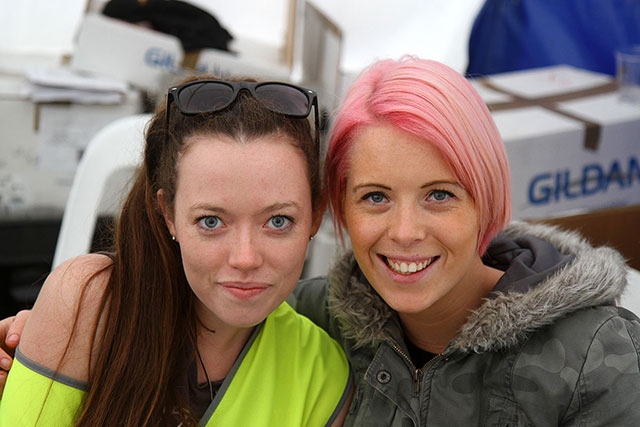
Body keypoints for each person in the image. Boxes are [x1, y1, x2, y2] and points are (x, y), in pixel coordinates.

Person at [3, 57, 640, 426]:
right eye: (374, 197)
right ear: (336, 211)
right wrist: (63, 327)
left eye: (440, 194)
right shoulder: (323, 318)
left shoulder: (597, 354)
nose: (406, 231)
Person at [0, 76, 352, 426]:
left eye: (278, 221)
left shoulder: (322, 376)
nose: (245, 258)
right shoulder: (88, 305)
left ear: (315, 217)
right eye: (211, 222)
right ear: (169, 214)